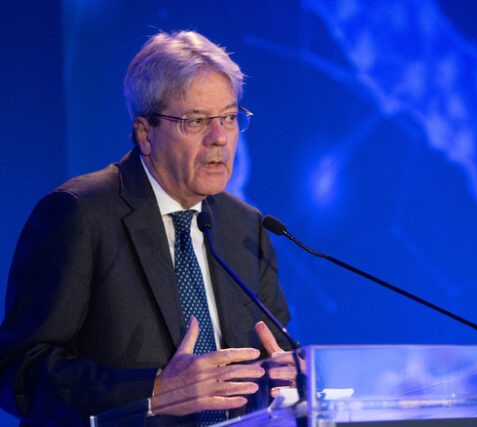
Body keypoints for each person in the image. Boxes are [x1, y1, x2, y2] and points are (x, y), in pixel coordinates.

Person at [0, 30, 294, 426]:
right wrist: (155, 390)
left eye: (228, 117)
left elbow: (275, 354)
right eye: (196, 121)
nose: (219, 138)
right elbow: (20, 373)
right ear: (145, 133)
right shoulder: (79, 214)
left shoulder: (245, 225)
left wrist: (290, 374)